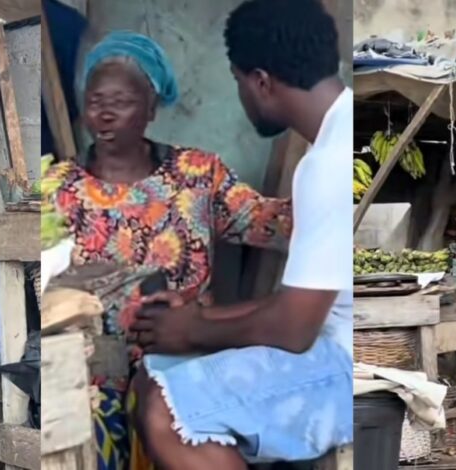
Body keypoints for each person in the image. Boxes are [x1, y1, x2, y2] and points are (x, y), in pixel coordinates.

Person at [41, 29, 293, 470]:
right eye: (96, 100)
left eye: (121, 101)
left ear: (152, 106)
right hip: (84, 375)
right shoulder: (57, 188)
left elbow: (270, 223)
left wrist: (327, 175)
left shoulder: (196, 175)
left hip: (179, 367)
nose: (104, 113)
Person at [129, 0, 352, 468]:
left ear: (262, 81)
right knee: (155, 377)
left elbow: (294, 327)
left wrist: (194, 329)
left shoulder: (325, 165)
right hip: (330, 339)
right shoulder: (337, 138)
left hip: (344, 363)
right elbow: (306, 302)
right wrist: (195, 322)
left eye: (237, 81)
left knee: (163, 410)